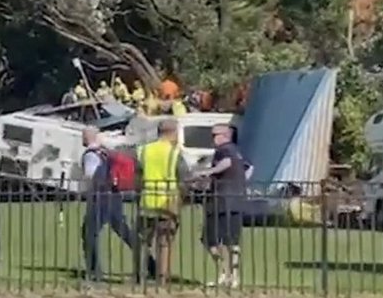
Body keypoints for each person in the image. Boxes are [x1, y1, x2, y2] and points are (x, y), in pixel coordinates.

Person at [80, 127, 143, 282]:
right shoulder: (105, 152)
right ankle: (150, 264)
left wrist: (83, 190)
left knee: (89, 233)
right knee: (125, 232)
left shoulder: (90, 155)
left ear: (87, 137)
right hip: (114, 195)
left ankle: (94, 270)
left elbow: (90, 175)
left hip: (100, 198)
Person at [194, 124, 253, 288]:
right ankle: (232, 277)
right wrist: (241, 182)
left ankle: (224, 273)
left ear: (224, 135)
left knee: (210, 239)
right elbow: (249, 167)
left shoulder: (224, 149)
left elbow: (227, 162)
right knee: (231, 240)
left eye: (215, 135)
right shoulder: (237, 150)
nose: (212, 138)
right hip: (236, 199)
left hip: (221, 200)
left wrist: (209, 172)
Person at [136, 119, 190, 284]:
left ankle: (140, 275)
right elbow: (183, 178)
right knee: (164, 243)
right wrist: (183, 199)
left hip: (147, 202)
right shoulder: (174, 153)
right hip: (168, 204)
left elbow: (137, 176)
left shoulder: (143, 150)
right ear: (172, 132)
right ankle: (162, 277)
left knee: (143, 242)